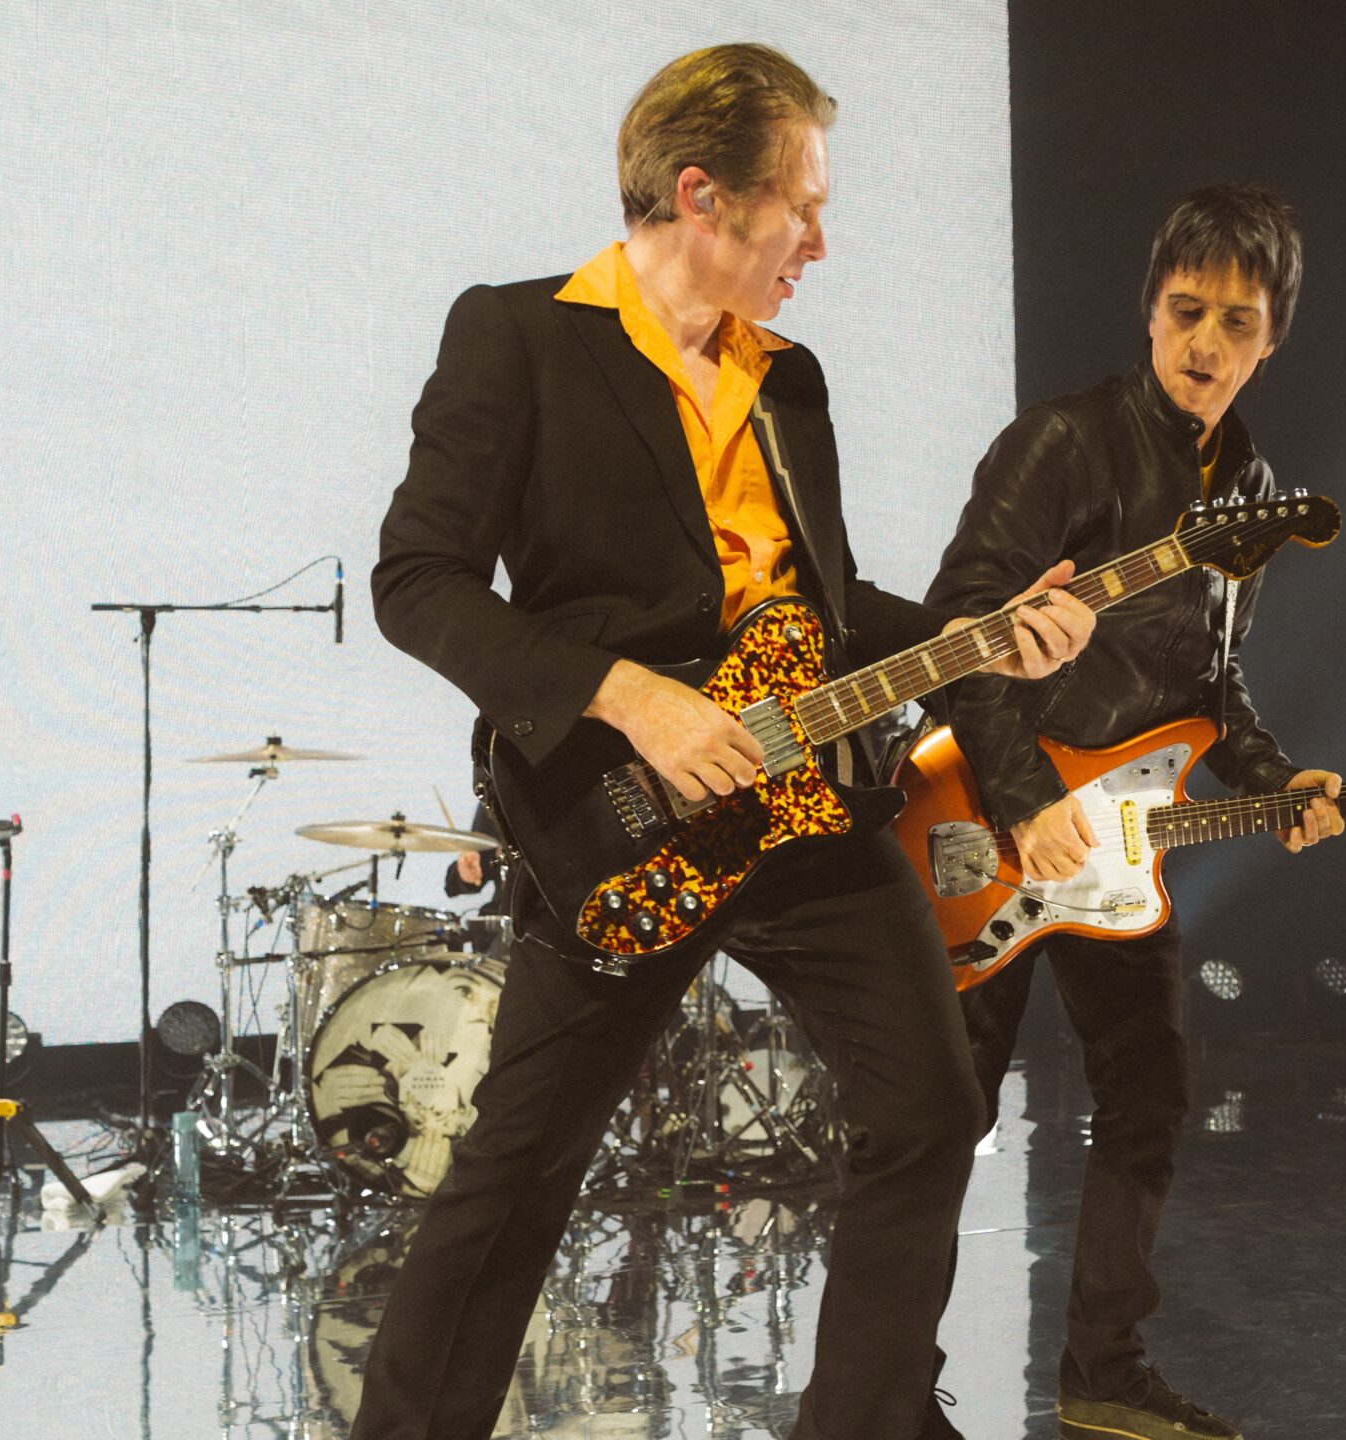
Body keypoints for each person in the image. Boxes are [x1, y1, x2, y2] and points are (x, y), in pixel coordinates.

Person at [356, 44, 1096, 1440]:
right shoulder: (521, 336)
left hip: (804, 812)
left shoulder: (788, 378)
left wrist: (986, 632)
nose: (821, 238)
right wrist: (630, 696)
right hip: (616, 814)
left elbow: (824, 613)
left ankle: (865, 1421)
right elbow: (418, 581)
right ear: (703, 195)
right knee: (521, 1170)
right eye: (800, 206)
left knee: (934, 1109)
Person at [920, 184, 1345, 1440]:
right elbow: (957, 627)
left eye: (1235, 319)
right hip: (990, 824)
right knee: (941, 1118)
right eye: (1183, 309)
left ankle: (1102, 1369)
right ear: (1148, 310)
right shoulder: (1062, 443)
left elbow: (1210, 683)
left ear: (1273, 337)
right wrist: (1022, 792)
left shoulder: (1252, 486)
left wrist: (1276, 784)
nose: (1204, 342)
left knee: (1149, 1096)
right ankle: (888, 1389)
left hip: (1116, 852)